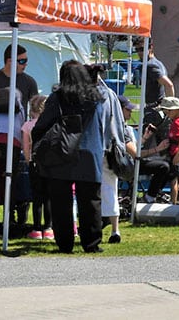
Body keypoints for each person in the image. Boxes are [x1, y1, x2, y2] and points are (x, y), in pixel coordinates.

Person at [31, 61, 113, 253]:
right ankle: (91, 243)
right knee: (91, 201)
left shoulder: (57, 98)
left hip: (61, 152)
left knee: (61, 202)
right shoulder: (95, 97)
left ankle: (65, 243)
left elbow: (42, 124)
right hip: (90, 152)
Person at [0, 44, 39, 224]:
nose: (25, 64)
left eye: (26, 61)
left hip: (17, 139)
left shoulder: (29, 82)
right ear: (9, 61)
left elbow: (35, 110)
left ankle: (14, 216)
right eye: (22, 61)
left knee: (15, 179)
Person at [102, 93, 138, 244]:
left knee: (104, 191)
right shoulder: (120, 125)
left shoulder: (106, 118)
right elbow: (133, 150)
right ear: (120, 108)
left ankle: (108, 226)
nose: (130, 112)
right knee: (111, 190)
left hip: (104, 157)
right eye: (128, 109)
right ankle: (114, 229)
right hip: (112, 159)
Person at [21, 94, 52, 240]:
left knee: (37, 197)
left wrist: (28, 160)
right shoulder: (50, 124)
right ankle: (49, 228)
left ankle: (37, 228)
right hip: (49, 164)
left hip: (34, 163)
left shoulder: (27, 126)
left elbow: (26, 147)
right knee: (48, 197)